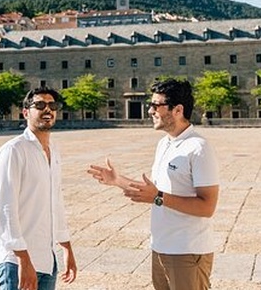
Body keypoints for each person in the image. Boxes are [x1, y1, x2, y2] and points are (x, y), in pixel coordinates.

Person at [88, 78, 220, 290]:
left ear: (177, 110)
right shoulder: (164, 144)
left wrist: (158, 197)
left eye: (155, 105)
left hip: (186, 250)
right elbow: (154, 191)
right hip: (161, 247)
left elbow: (207, 207)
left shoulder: (199, 147)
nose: (150, 110)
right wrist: (117, 180)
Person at [0, 87, 77, 290]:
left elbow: (54, 202)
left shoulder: (53, 151)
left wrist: (66, 246)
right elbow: (5, 209)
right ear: (25, 112)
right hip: (16, 262)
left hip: (46, 259)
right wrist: (23, 259)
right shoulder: (14, 150)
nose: (47, 109)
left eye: (52, 105)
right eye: (39, 105)